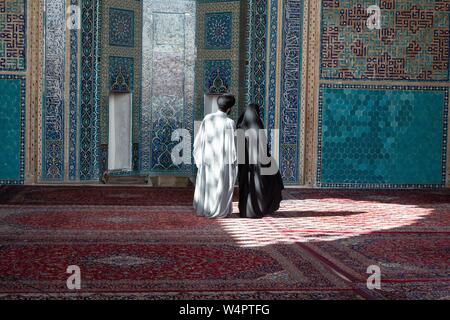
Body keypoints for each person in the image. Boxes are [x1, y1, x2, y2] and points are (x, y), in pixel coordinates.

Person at [193, 94, 238, 218]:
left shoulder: (208, 118)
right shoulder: (229, 122)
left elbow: (199, 140)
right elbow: (233, 146)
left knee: (208, 184)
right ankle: (218, 209)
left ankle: (205, 208)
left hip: (207, 159)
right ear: (229, 108)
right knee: (220, 186)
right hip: (222, 161)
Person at [236, 103, 284, 218]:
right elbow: (263, 148)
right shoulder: (258, 126)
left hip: (245, 165)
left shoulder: (240, 127)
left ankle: (246, 210)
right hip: (259, 164)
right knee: (265, 184)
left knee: (247, 186)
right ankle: (260, 209)